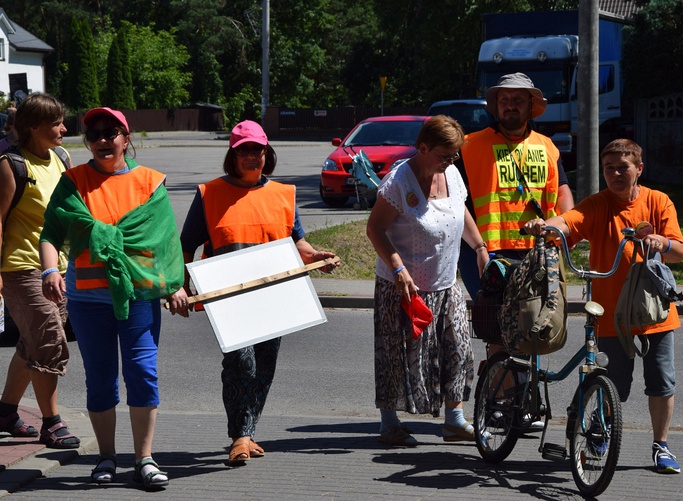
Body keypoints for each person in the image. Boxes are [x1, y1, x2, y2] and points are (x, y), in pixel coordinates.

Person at [39, 107, 187, 488]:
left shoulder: (150, 182)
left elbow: (165, 243)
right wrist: (50, 270)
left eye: (111, 132)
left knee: (143, 374)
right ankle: (106, 456)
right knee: (101, 380)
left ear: (126, 137)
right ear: (87, 142)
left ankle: (144, 458)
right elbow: (51, 232)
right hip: (87, 300)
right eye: (94, 135)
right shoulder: (73, 181)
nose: (103, 140)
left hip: (137, 296)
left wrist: (174, 284)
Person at [178, 120, 338, 465]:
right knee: (240, 364)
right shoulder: (209, 194)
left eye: (257, 150)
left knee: (265, 366)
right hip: (229, 298)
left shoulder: (283, 194)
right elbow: (186, 245)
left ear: (267, 153)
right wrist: (180, 284)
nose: (252, 156)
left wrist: (316, 257)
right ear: (232, 156)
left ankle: (248, 431)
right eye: (244, 151)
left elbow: (298, 241)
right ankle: (240, 435)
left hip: (275, 295)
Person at [524, 138, 683, 474]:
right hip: (610, 313)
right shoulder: (598, 205)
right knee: (615, 387)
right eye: (608, 168)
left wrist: (662, 241)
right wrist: (546, 225)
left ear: (639, 169)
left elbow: (678, 251)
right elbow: (569, 221)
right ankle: (601, 422)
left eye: (622, 167)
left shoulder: (659, 201)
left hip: (655, 312)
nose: (614, 173)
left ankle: (661, 446)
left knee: (661, 383)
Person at [366, 115, 489, 446]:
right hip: (402, 288)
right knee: (396, 354)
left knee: (460, 350)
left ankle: (455, 420)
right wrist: (397, 268)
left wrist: (478, 246)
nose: (453, 161)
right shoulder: (398, 183)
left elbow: (460, 211)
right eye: (446, 155)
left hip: (447, 285)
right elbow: (374, 229)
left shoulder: (450, 173)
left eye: (455, 155)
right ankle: (389, 422)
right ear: (423, 148)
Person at [0, 93, 80, 450]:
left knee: (31, 342)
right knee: (48, 341)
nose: (64, 128)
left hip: (56, 269)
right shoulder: (12, 164)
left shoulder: (62, 158)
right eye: (56, 123)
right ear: (33, 127)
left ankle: (4, 412)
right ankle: (52, 422)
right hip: (20, 268)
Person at [454, 72, 575, 301]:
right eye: (504, 100)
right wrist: (478, 248)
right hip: (487, 252)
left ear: (531, 105)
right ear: (496, 106)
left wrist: (568, 228)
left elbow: (562, 189)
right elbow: (454, 200)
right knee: (496, 328)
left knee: (535, 326)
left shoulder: (547, 146)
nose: (510, 106)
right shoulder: (469, 146)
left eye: (517, 100)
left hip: (539, 249)